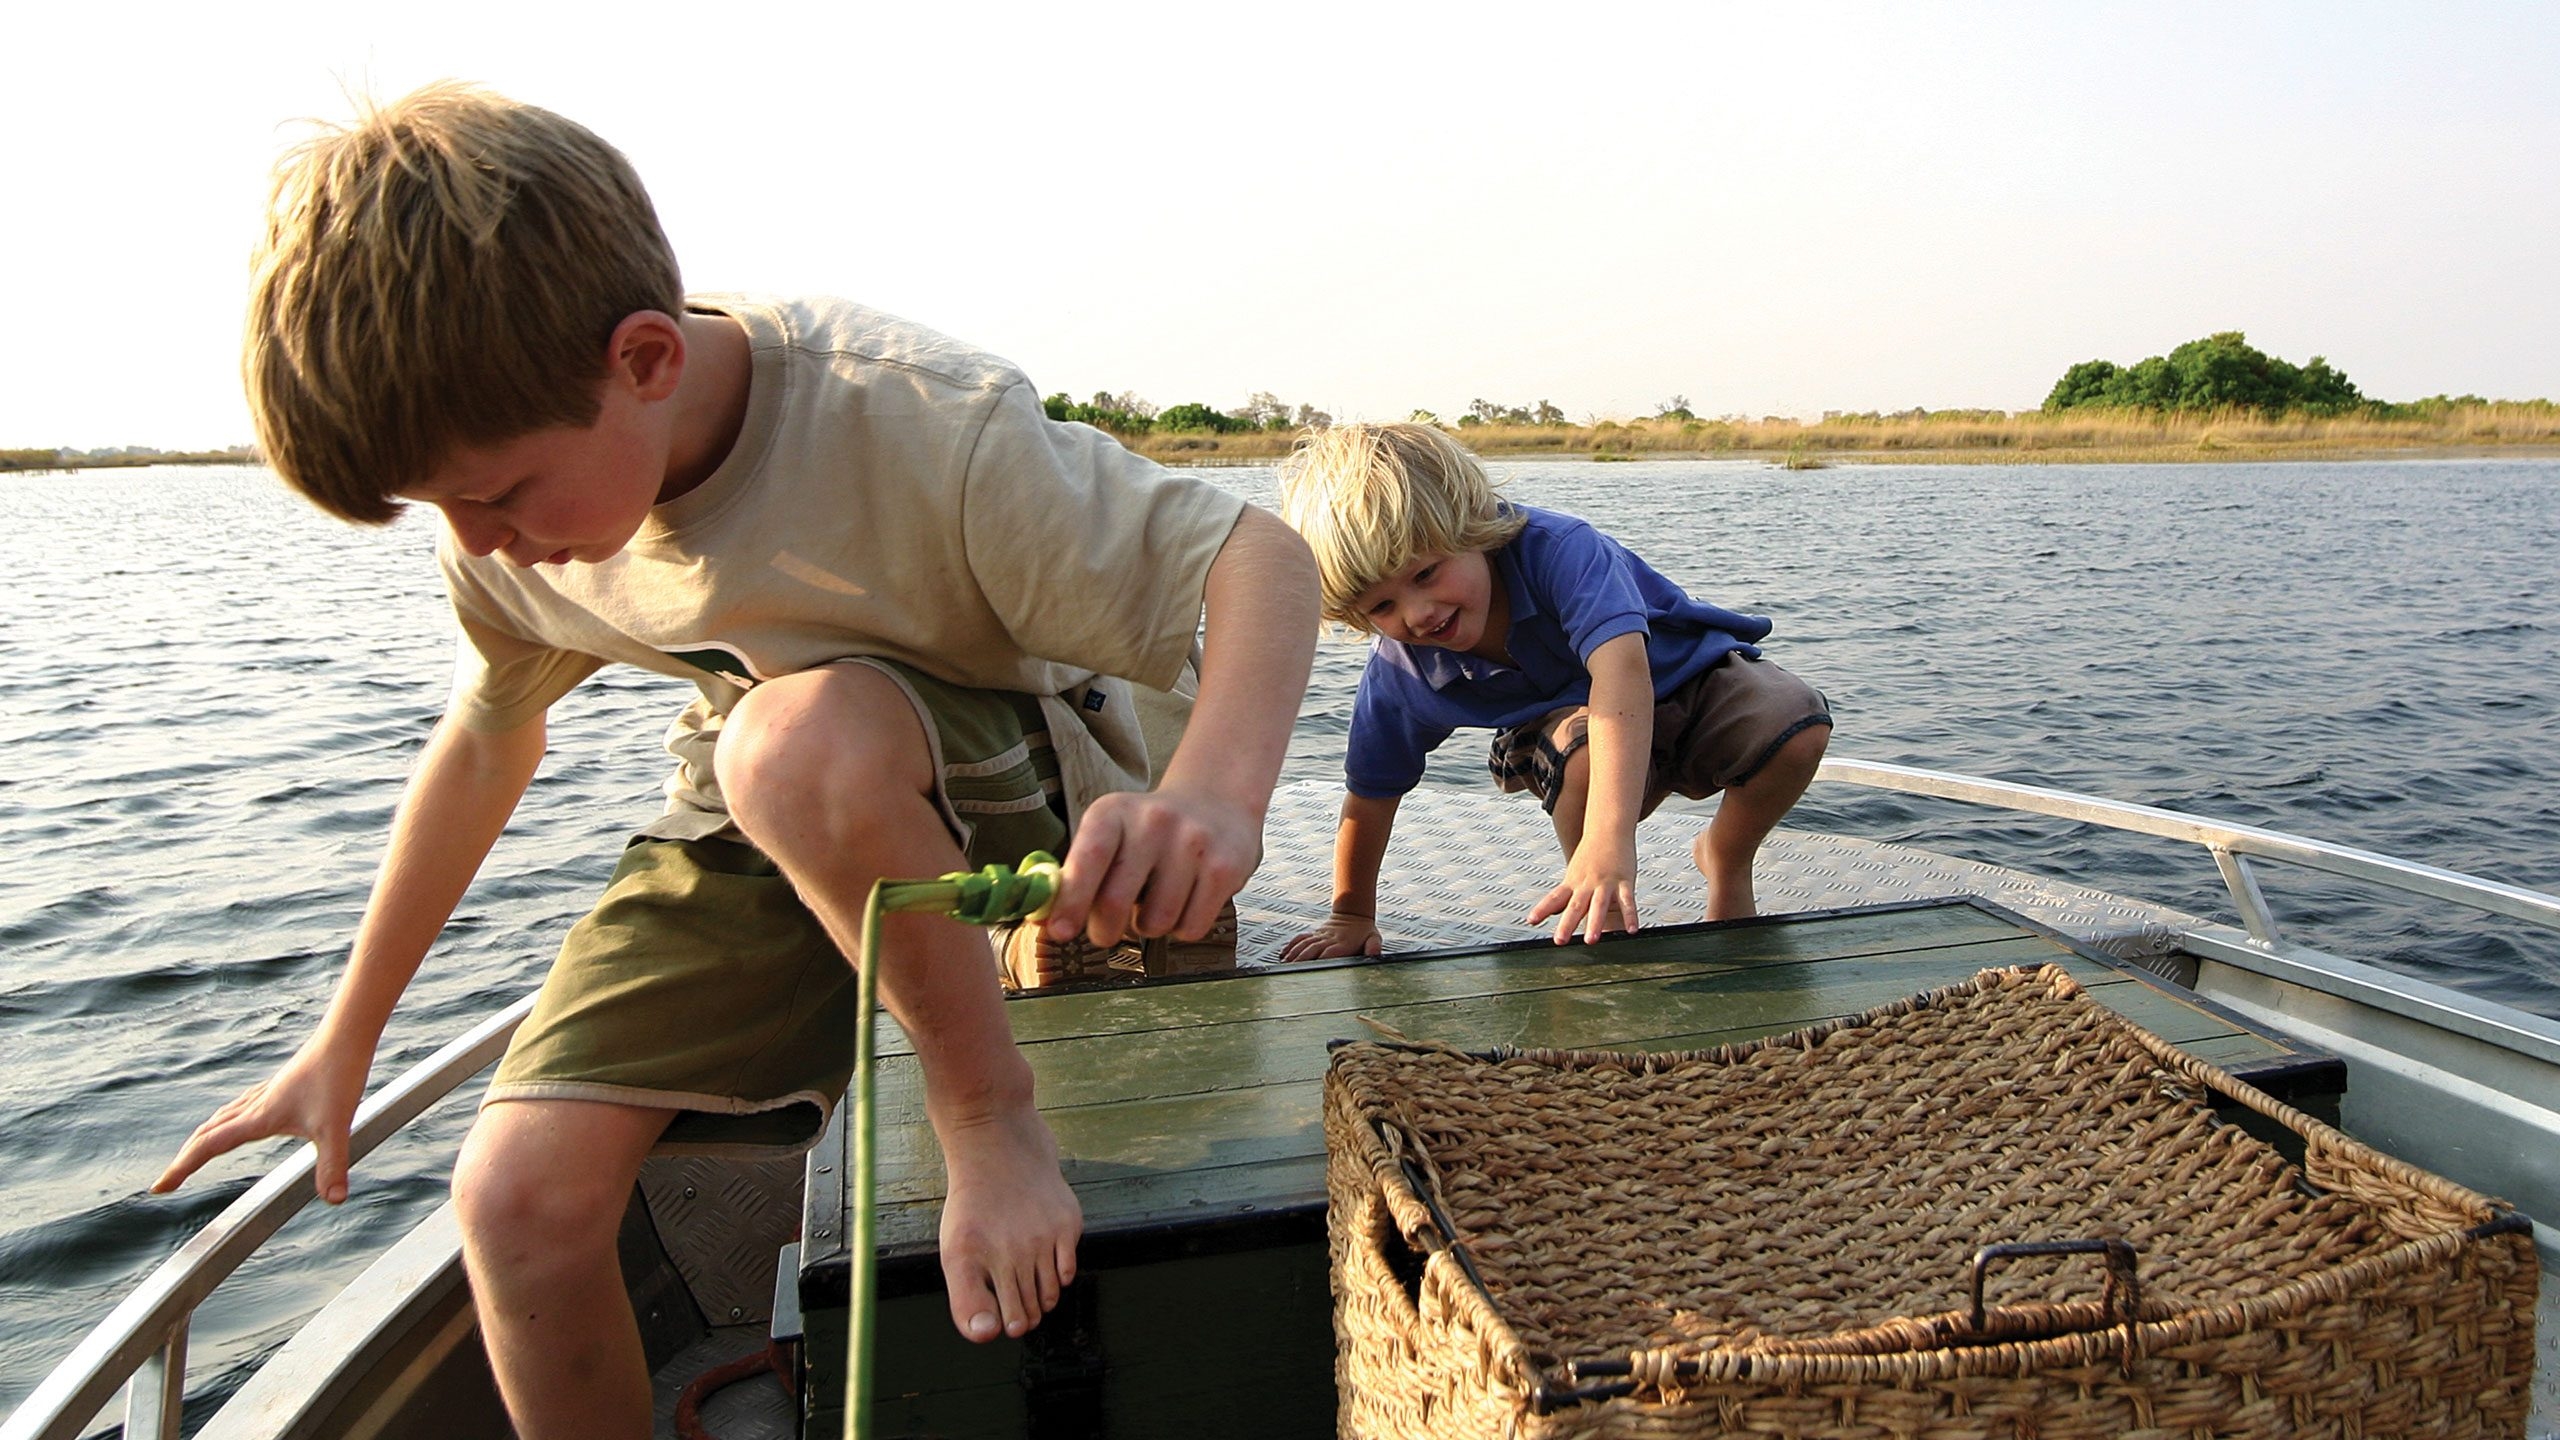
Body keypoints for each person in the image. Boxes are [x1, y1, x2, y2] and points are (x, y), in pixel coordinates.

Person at [148, 82, 1316, 1436]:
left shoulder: (923, 425)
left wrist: (1215, 802)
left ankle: (988, 1115)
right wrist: (345, 1042)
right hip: (772, 787)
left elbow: (1259, 561)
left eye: (494, 495)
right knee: (514, 1202)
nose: (474, 544)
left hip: (1026, 773)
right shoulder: (514, 519)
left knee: (792, 741)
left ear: (644, 361)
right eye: (438, 508)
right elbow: (485, 740)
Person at [1274, 423, 1828, 958]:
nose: (1419, 615)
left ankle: (1724, 860)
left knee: (1795, 721)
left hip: (1682, 675)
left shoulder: (1562, 550)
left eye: (1426, 575)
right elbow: (1371, 793)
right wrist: (1351, 914)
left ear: (1472, 528)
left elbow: (1622, 674)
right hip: (1565, 731)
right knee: (1584, 752)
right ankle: (1601, 911)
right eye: (1381, 607)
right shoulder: (1402, 671)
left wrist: (1611, 839)